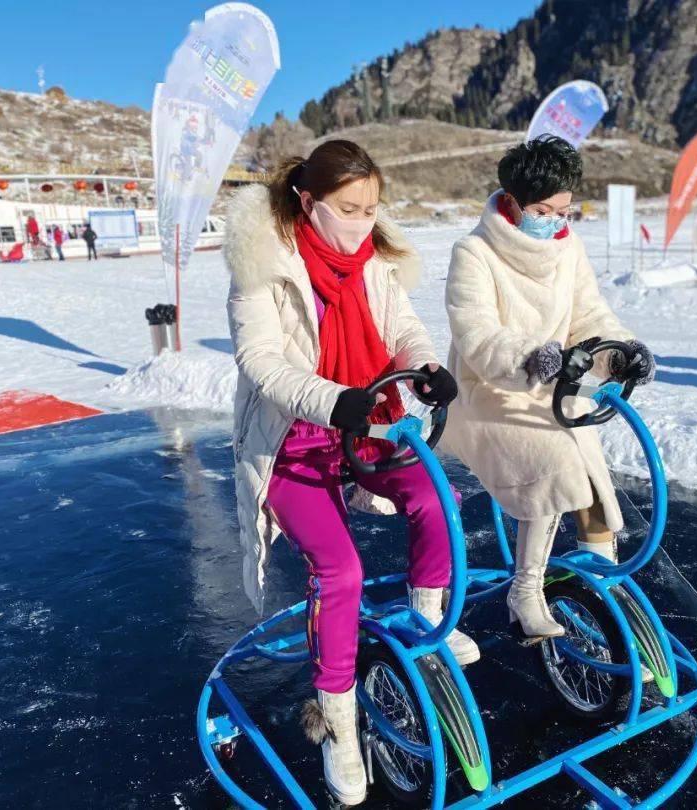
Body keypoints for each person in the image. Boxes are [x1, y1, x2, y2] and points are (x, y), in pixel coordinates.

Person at [223, 139, 477, 806]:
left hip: (369, 424)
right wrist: (333, 401)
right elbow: (261, 362)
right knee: (340, 572)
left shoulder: (374, 261)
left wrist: (424, 368)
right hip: (293, 440)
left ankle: (427, 626)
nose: (364, 223)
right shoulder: (264, 264)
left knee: (437, 499)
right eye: (349, 209)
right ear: (309, 202)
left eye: (372, 209)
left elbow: (404, 328)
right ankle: (337, 723)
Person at [444, 135, 656, 643]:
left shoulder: (567, 247)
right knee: (556, 463)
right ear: (512, 202)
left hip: (555, 386)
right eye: (543, 211)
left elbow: (589, 314)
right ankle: (525, 591)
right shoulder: (474, 252)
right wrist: (532, 358)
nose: (556, 221)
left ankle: (603, 589)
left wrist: (619, 354)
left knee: (592, 476)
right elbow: (477, 335)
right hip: (491, 392)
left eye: (564, 211)